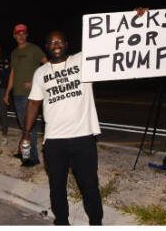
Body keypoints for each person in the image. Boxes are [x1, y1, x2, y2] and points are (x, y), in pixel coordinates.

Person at [18, 29, 104, 225]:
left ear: (66, 43)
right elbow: (33, 104)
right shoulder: (41, 72)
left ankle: (96, 223)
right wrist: (25, 135)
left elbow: (107, 43)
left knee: (90, 186)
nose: (55, 45)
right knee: (56, 187)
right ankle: (62, 222)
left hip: (83, 138)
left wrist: (137, 21)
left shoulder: (82, 61)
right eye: (51, 43)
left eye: (59, 41)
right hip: (54, 141)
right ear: (46, 47)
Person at [4, 23, 47, 166]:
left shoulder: (33, 49)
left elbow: (47, 65)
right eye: (18, 33)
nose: (21, 36)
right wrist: (7, 92)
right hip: (17, 93)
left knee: (30, 126)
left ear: (26, 35)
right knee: (24, 125)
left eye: (23, 33)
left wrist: (35, 82)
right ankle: (24, 150)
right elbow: (13, 72)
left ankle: (33, 158)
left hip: (30, 94)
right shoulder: (14, 52)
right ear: (14, 36)